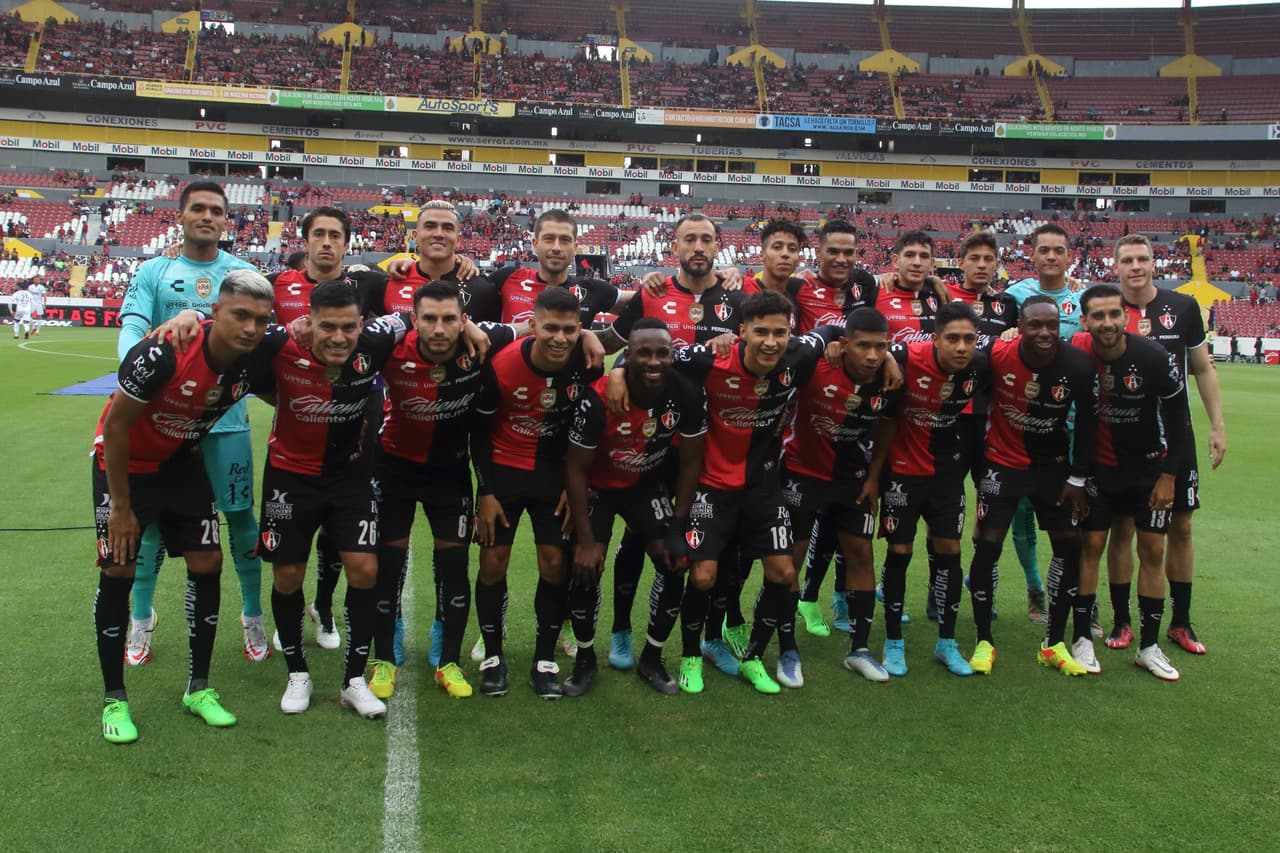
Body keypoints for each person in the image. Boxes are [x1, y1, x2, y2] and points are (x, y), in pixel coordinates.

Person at [92, 269, 274, 744]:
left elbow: (303, 337)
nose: (250, 328)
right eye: (239, 315)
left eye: (260, 319)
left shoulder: (255, 359)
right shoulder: (165, 352)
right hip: (125, 463)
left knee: (208, 561)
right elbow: (114, 430)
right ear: (215, 312)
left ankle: (199, 688)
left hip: (180, 460)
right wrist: (122, 510)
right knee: (119, 569)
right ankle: (115, 697)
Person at [116, 181, 269, 667]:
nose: (207, 216)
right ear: (179, 216)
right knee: (152, 525)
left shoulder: (243, 273)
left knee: (240, 517)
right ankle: (140, 620)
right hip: (163, 424)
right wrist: (137, 375)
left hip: (225, 421)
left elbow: (265, 339)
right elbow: (133, 329)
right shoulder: (153, 271)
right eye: (197, 208)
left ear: (228, 220)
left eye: (217, 210)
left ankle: (252, 616)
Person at [664, 290, 844, 693]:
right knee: (705, 576)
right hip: (711, 486)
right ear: (741, 332)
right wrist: (621, 370)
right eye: (760, 332)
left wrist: (860, 350)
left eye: (780, 333)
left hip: (763, 486)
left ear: (791, 333)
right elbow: (654, 353)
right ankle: (692, 655)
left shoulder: (799, 354)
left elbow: (837, 325)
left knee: (782, 572)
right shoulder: (709, 360)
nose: (771, 342)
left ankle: (753, 659)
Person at [249, 282, 412, 717]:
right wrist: (184, 319)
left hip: (350, 476)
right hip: (289, 475)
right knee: (287, 575)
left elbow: (416, 315)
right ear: (309, 323)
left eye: (347, 327)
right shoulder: (280, 342)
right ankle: (296, 673)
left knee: (364, 570)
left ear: (361, 324)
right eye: (327, 327)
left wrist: (470, 329)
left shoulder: (375, 339)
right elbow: (225, 330)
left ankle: (353, 679)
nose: (338, 337)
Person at [597, 213, 749, 674]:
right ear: (675, 245)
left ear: (719, 246)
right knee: (638, 541)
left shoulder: (738, 299)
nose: (698, 247)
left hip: (714, 440)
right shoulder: (653, 292)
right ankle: (622, 629)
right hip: (653, 441)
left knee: (705, 547)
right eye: (690, 239)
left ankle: (708, 636)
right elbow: (612, 343)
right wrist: (621, 366)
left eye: (707, 239)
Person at [371, 281, 516, 700]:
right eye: (429, 319)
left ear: (463, 321)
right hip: (393, 468)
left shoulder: (481, 345)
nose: (439, 328)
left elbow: (533, 329)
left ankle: (448, 661)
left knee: (453, 568)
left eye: (449, 319)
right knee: (388, 564)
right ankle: (384, 657)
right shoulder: (390, 347)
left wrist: (583, 336)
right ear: (413, 320)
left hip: (450, 474)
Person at [472, 287, 604, 699]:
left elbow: (591, 431)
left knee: (553, 565)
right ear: (532, 325)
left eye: (569, 329)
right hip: (505, 474)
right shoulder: (502, 365)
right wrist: (487, 491)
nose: (559, 337)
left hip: (554, 477)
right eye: (550, 327)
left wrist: (575, 486)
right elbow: (478, 431)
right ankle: (493, 656)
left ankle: (544, 660)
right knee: (493, 562)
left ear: (580, 330)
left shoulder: (587, 364)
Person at [564, 318, 707, 696]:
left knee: (675, 559)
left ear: (673, 355)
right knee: (585, 565)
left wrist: (677, 527)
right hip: (598, 486)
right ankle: (584, 660)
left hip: (644, 485)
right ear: (627, 356)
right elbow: (576, 470)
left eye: (663, 353)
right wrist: (585, 539)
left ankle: (652, 658)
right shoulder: (598, 397)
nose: (654, 361)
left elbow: (692, 463)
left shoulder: (687, 393)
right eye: (644, 352)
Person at [962, 296, 1096, 676]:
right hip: (1002, 465)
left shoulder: (1079, 365)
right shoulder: (997, 354)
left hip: (1053, 470)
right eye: (1034, 325)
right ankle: (984, 640)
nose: (1043, 332)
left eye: (1051, 325)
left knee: (1070, 549)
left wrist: (1078, 477)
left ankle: (1052, 643)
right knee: (987, 549)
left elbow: (1087, 423)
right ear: (1019, 326)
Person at [1107, 234, 1225, 655]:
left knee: (1182, 526)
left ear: (1154, 263)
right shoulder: (1105, 306)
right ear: (1115, 266)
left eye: (1143, 259)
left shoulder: (1184, 307)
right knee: (1121, 529)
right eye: (1128, 260)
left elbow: (1203, 368)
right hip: (1121, 438)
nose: (1135, 266)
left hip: (1175, 437)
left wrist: (1217, 426)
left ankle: (1180, 621)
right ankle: (1121, 621)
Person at [1071, 284, 1190, 681]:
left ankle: (1149, 646)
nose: (1107, 323)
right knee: (1091, 547)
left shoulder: (1152, 357)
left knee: (1153, 551)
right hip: (1098, 472)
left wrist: (1169, 475)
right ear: (1085, 321)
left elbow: (1179, 420)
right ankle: (1082, 638)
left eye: (1114, 314)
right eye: (1098, 316)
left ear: (1126, 316)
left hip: (1147, 471)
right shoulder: (1077, 351)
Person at [871, 301, 989, 677]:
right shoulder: (905, 357)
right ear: (935, 339)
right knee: (900, 550)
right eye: (952, 338)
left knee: (950, 550)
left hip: (945, 472)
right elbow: (865, 350)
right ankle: (893, 642)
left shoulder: (981, 365)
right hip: (902, 471)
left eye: (969, 339)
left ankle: (947, 643)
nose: (961, 347)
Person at [783, 308, 900, 682]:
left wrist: (875, 477)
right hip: (801, 471)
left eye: (880, 347)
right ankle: (786, 648)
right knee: (790, 562)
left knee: (861, 554)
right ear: (843, 345)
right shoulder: (815, 367)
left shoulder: (890, 380)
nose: (871, 355)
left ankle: (859, 650)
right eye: (862, 346)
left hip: (852, 476)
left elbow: (885, 429)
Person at [1002, 223, 1084, 630]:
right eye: (1044, 250)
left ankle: (1075, 595)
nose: (1051, 256)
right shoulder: (1013, 296)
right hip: (1022, 423)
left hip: (1072, 425)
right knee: (1021, 515)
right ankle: (1036, 590)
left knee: (1072, 517)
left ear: (1069, 256)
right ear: (1031, 254)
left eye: (1059, 250)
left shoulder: (1084, 299)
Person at [490, 209, 632, 326]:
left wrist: (652, 280)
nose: (556, 248)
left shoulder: (590, 289)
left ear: (575, 248)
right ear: (535, 244)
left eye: (565, 240)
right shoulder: (507, 278)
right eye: (549, 239)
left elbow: (642, 300)